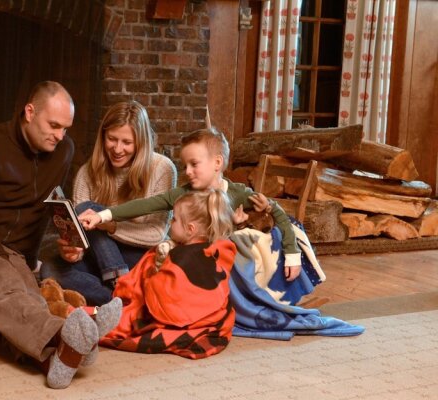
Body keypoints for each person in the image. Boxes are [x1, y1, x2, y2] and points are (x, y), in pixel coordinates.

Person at [0, 81, 121, 389]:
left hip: (8, 251)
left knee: (27, 296)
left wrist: (53, 250)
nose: (60, 135)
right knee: (1, 276)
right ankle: (67, 332)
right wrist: (13, 267)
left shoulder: (62, 150)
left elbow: (44, 211)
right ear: (30, 112)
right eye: (53, 125)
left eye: (65, 129)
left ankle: (58, 359)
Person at [79, 126, 303, 282]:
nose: (187, 172)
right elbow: (147, 204)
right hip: (190, 267)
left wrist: (292, 254)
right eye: (185, 165)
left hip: (224, 272)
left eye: (194, 164)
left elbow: (278, 215)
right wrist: (104, 215)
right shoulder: (184, 194)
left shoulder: (238, 194)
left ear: (217, 162)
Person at [41, 101, 177, 305]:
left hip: (142, 258)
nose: (118, 149)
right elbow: (83, 239)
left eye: (127, 142)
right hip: (100, 260)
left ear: (141, 142)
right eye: (112, 139)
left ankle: (116, 284)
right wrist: (73, 252)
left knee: (91, 210)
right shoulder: (87, 173)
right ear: (103, 136)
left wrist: (108, 224)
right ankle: (123, 298)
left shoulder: (162, 168)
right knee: (50, 269)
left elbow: (156, 234)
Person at [101, 189, 237, 359]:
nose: (170, 223)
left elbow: (167, 292)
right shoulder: (187, 247)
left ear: (190, 229)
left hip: (180, 313)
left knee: (125, 317)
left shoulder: (187, 256)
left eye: (174, 219)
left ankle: (101, 317)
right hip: (211, 317)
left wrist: (153, 274)